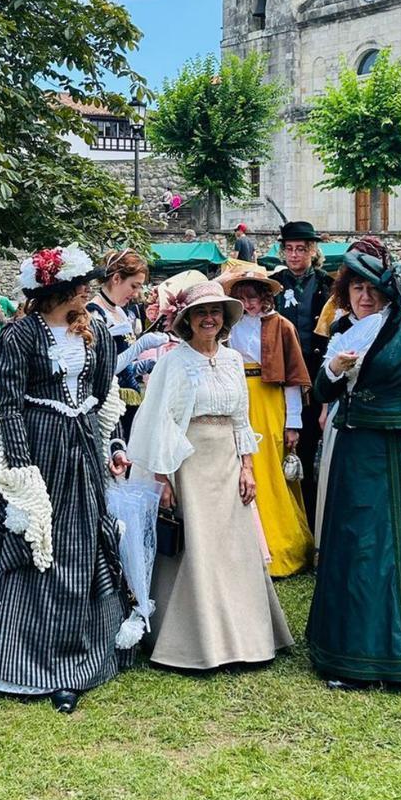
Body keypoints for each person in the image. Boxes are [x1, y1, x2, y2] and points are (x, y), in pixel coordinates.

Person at [0, 245, 134, 713]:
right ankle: (23, 662)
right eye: (78, 286)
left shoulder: (96, 331)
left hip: (80, 449)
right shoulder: (23, 334)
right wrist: (21, 469)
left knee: (78, 546)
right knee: (31, 548)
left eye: (85, 285)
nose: (85, 292)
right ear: (54, 291)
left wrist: (115, 447)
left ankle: (73, 662)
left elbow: (105, 397)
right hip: (37, 449)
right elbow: (10, 404)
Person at [306, 243, 401, 688]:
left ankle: (396, 654)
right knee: (353, 547)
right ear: (345, 292)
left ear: (387, 293)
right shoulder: (343, 332)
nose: (363, 297)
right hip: (353, 450)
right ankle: (347, 653)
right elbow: (323, 394)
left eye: (372, 289)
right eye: (355, 288)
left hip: (397, 452)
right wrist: (332, 369)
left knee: (387, 550)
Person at [128, 281, 292, 670]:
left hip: (229, 463)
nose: (209, 318)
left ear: (224, 319)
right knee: (195, 548)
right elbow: (159, 422)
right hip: (189, 462)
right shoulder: (173, 361)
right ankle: (195, 640)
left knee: (234, 549)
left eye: (215, 312)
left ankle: (246, 637)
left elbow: (240, 418)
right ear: (186, 320)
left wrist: (248, 466)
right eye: (201, 313)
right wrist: (163, 478)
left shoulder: (234, 360)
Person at [221, 265, 314, 576]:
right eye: (242, 297)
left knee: (269, 466)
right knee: (238, 464)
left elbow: (293, 377)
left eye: (253, 297)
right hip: (236, 396)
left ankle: (279, 545)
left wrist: (294, 423)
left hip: (268, 398)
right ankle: (244, 545)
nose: (249, 304)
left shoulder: (280, 326)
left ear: (264, 297)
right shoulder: (227, 327)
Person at [272, 220, 333, 523]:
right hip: (278, 375)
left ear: (312, 251)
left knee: (308, 451)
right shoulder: (273, 284)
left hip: (316, 375)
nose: (295, 255)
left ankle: (309, 520)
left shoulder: (328, 285)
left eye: (301, 249)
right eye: (290, 249)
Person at [88, 250, 167, 437]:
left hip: (129, 400)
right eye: (134, 285)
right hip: (108, 404)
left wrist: (144, 366)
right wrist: (141, 345)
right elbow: (102, 370)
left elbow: (125, 367)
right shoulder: (95, 314)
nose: (136, 293)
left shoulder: (120, 312)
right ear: (116, 278)